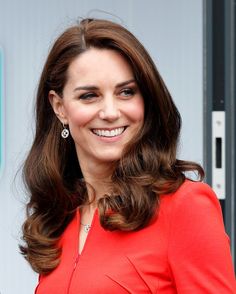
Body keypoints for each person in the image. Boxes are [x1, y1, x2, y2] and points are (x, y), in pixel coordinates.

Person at [20, 18, 236, 293]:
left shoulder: (185, 206)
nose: (110, 112)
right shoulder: (59, 215)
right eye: (89, 95)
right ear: (60, 107)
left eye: (126, 92)